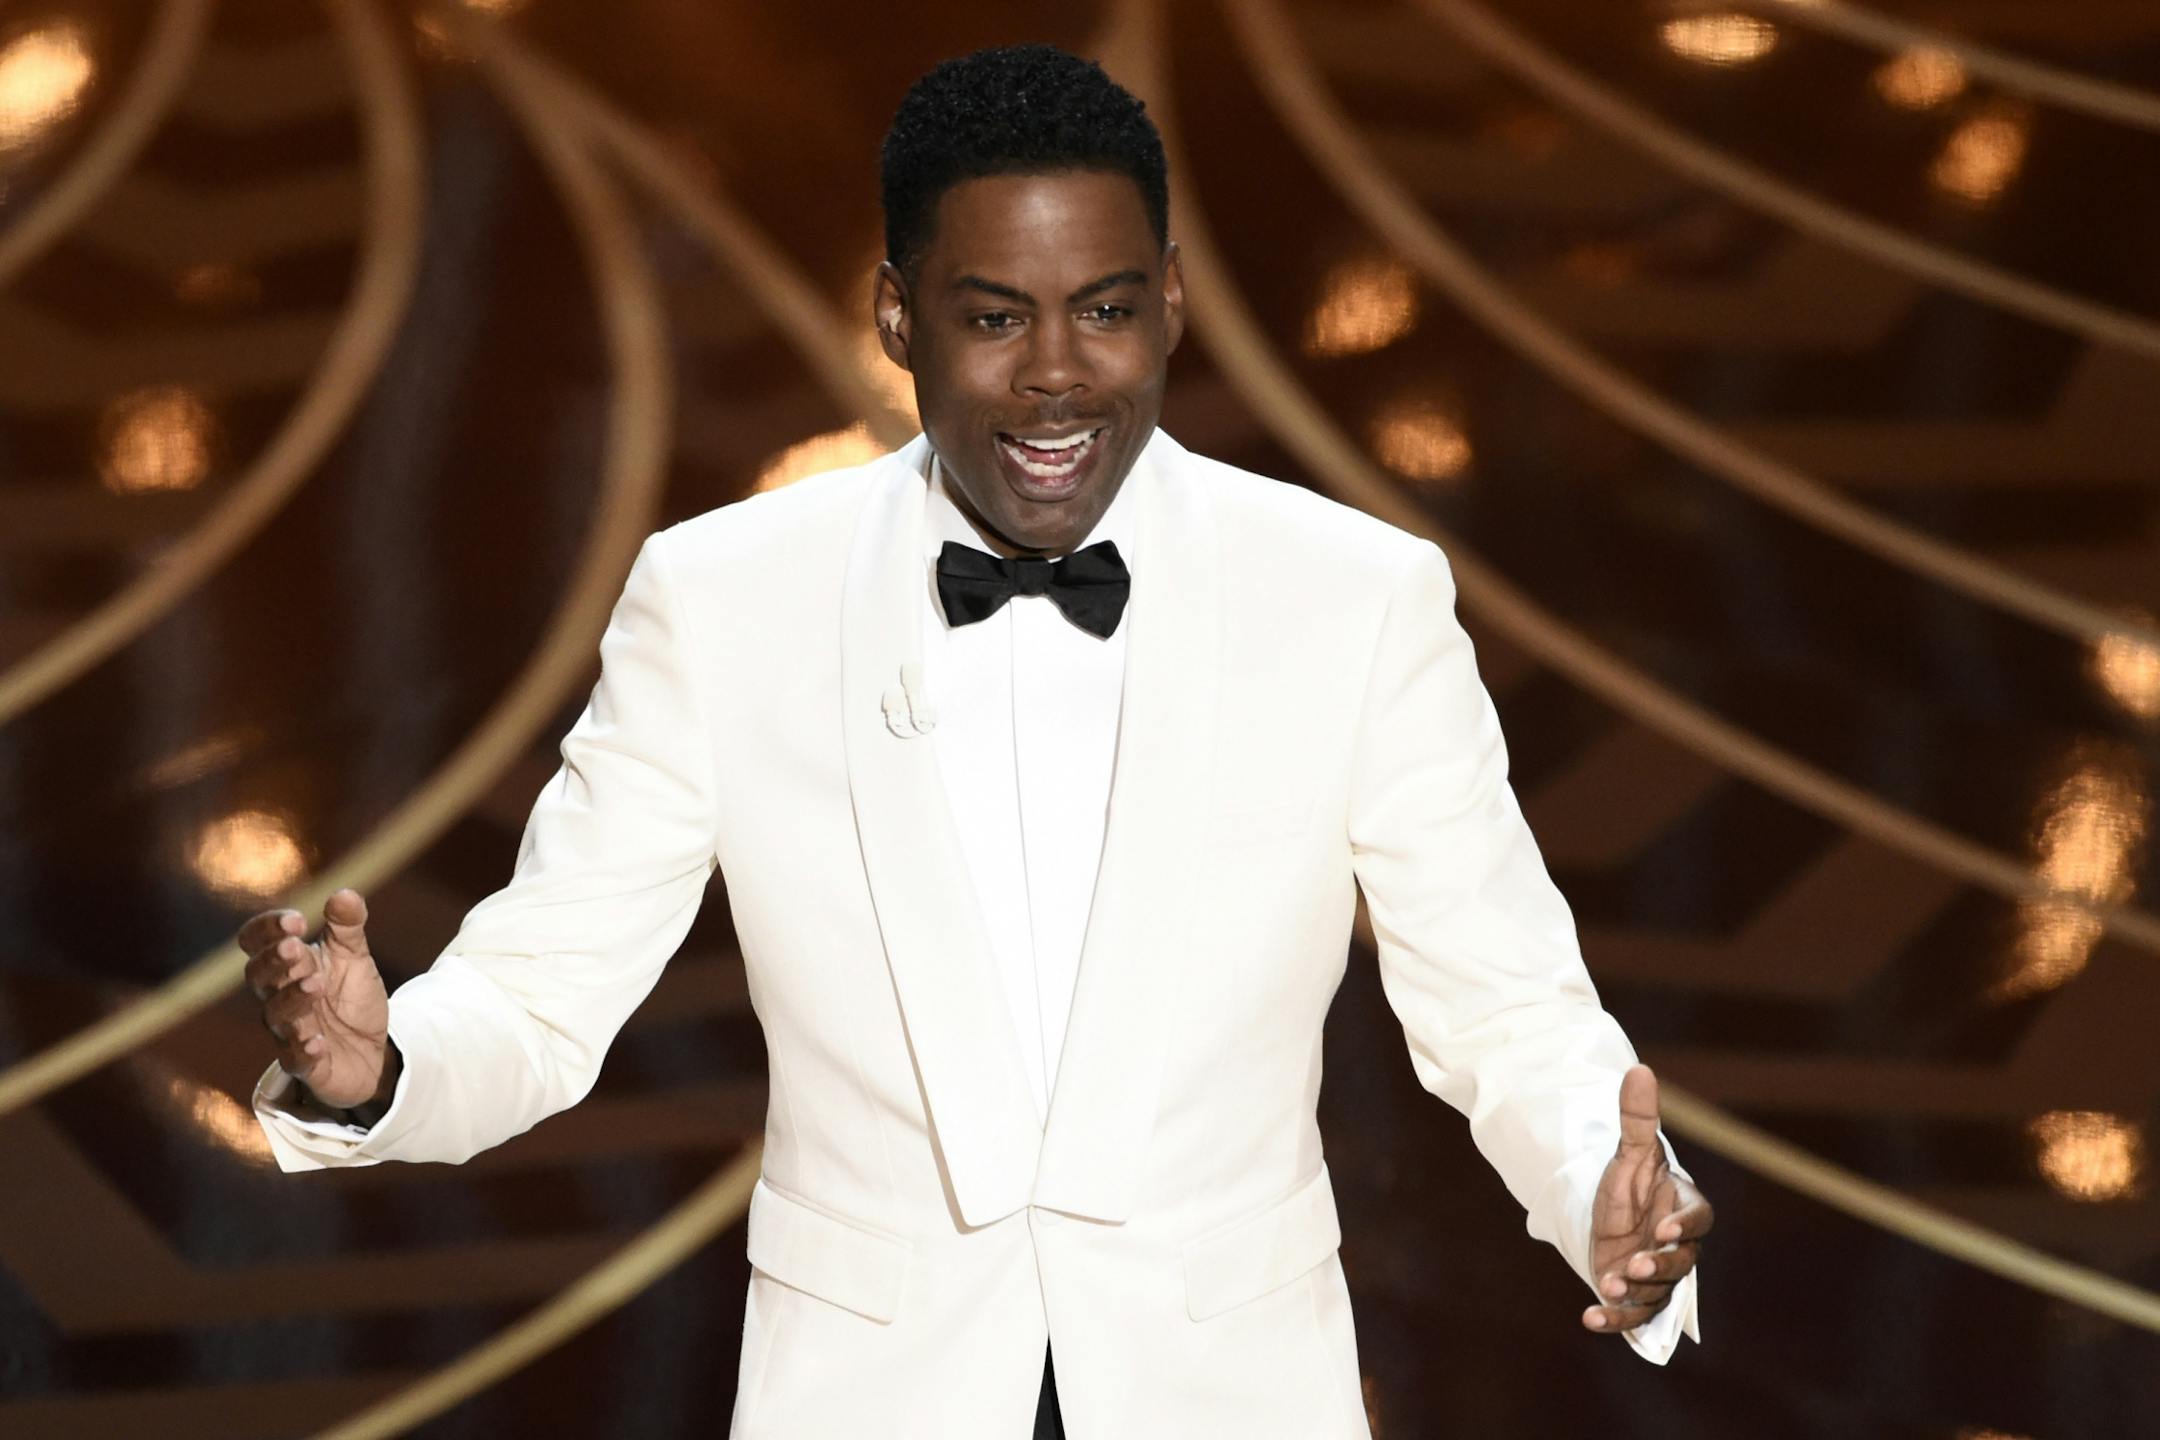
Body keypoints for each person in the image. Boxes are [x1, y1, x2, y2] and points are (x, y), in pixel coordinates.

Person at [244, 44, 1709, 1439]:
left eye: (1110, 310)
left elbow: (1506, 1005)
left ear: (1176, 305)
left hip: (1228, 1393)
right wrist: (378, 1070)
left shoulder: (1356, 599)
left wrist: (1602, 1188)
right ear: (898, 317)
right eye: (997, 316)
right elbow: (543, 996)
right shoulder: (725, 599)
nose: (1060, 372)